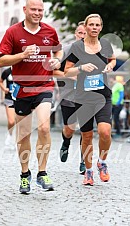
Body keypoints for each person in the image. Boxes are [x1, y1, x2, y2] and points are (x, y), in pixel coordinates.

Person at [0, 0, 62, 194]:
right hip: (22, 89)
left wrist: (57, 61)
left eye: (40, 10)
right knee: (23, 135)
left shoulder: (49, 31)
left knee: (44, 128)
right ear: (25, 10)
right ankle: (25, 174)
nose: (37, 13)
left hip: (44, 86)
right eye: (33, 9)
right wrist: (23, 55)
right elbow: (1, 61)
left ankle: (42, 173)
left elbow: (58, 50)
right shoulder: (13, 32)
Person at [64, 14, 116, 186]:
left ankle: (102, 162)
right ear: (85, 27)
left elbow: (113, 59)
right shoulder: (76, 47)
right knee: (86, 136)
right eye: (91, 24)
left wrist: (110, 65)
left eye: (97, 25)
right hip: (83, 98)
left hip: (102, 96)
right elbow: (67, 71)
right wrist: (80, 68)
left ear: (101, 27)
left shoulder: (106, 45)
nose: (94, 27)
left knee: (105, 132)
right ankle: (88, 171)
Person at [54, 21, 86, 174]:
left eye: (86, 33)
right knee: (70, 128)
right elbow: (54, 72)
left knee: (87, 130)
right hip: (69, 95)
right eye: (80, 33)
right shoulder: (66, 51)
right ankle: (66, 142)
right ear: (76, 34)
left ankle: (84, 161)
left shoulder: (95, 51)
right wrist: (70, 76)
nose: (83, 36)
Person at [0, 67, 15, 148]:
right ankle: (10, 135)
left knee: (20, 122)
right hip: (9, 99)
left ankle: (17, 139)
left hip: (21, 99)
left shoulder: (23, 70)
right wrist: (4, 89)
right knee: (11, 121)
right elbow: (0, 81)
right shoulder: (7, 71)